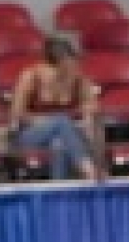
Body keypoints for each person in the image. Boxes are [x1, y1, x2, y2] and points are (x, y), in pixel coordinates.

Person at [9, 35, 102, 182]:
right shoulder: (30, 76)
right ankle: (87, 168)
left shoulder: (77, 78)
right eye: (67, 65)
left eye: (72, 64)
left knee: (58, 143)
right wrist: (46, 121)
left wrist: (87, 111)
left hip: (68, 134)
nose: (71, 69)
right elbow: (16, 113)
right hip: (30, 134)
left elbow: (92, 105)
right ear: (53, 65)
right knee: (60, 120)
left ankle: (59, 186)